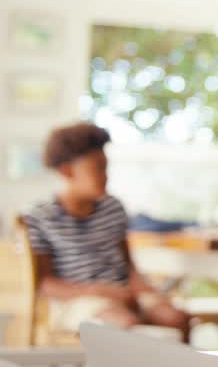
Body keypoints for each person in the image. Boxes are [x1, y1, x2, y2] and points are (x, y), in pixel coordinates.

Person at [23, 122, 190, 337]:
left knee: (176, 318)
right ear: (67, 171)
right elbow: (44, 284)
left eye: (106, 167)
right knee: (123, 324)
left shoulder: (113, 208)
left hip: (123, 292)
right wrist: (99, 291)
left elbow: (128, 266)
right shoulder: (40, 216)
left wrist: (145, 291)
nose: (106, 176)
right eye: (97, 168)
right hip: (76, 301)